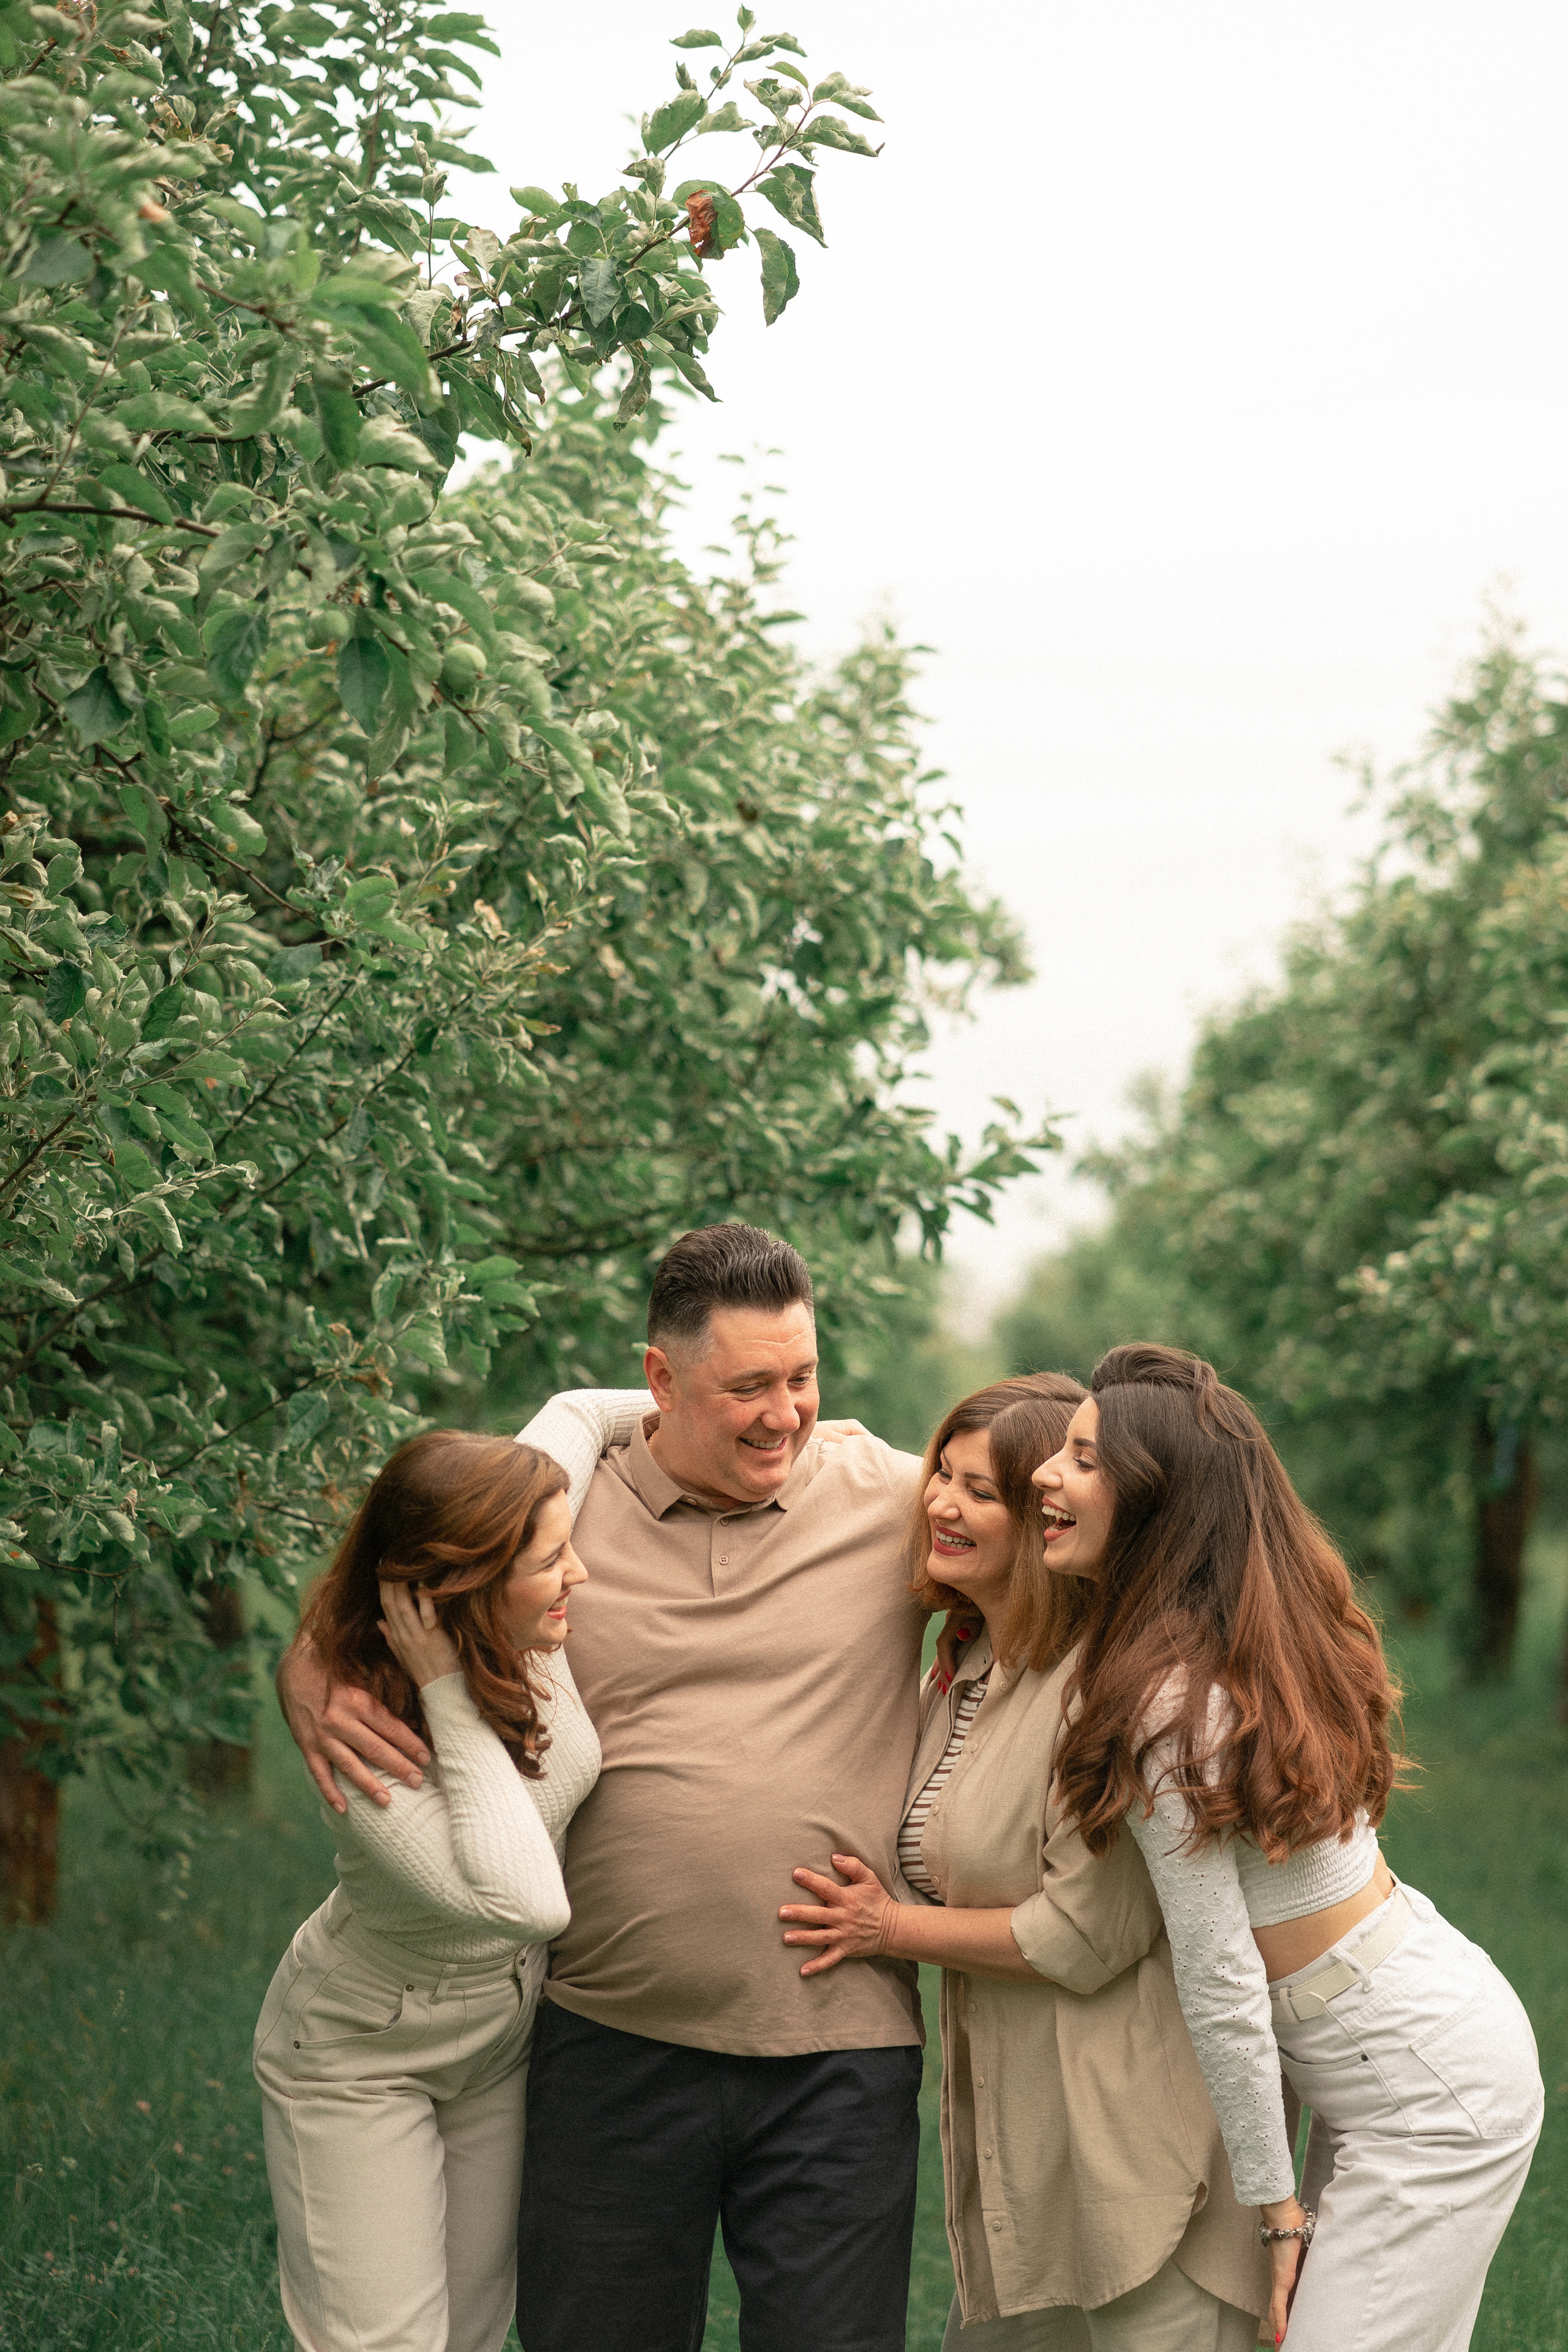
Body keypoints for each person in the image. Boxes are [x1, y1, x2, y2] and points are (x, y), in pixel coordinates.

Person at [276, 1223, 933, 2352]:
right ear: (659, 1381)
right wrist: (309, 1658)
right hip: (606, 2041)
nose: (785, 1414)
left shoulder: (899, 1502)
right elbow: (404, 1557)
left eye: (804, 1377)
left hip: (841, 2049)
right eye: (749, 1387)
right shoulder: (559, 1514)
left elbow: (1077, 1557)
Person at [1030, 1344, 1543, 2351]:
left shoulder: (1168, 1699)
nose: (1049, 1473)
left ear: (1154, 1501)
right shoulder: (1214, 1640)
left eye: (1085, 1459)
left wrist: (1276, 2217)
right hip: (1407, 2037)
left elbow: (1222, 1980)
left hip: (1428, 2089)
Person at [778, 1374, 1270, 2352]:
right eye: (941, 1477)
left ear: (1048, 1514)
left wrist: (887, 1928)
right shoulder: (962, 1662)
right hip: (1024, 2148)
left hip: (1134, 2156)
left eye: (983, 1491)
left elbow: (1084, 1934)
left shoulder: (1108, 1689)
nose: (943, 1506)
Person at [254, 1430, 598, 2352]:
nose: (583, 1572)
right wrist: (446, 1688)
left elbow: (581, 1408)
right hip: (362, 2048)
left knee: (477, 2333)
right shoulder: (363, 1733)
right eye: (551, 1560)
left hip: (497, 2035)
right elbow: (531, 1903)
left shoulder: (525, 1622)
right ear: (458, 1587)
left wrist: (783, 1417)